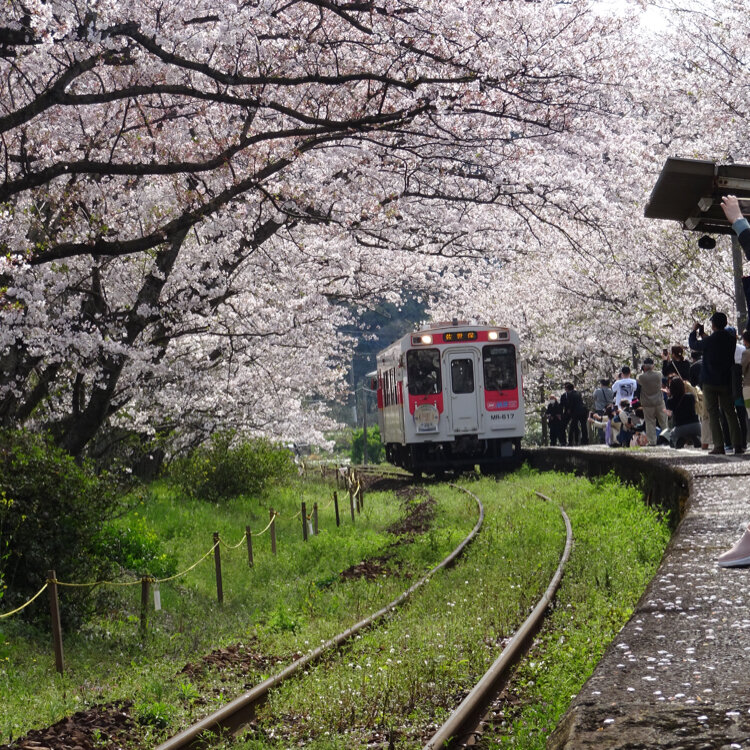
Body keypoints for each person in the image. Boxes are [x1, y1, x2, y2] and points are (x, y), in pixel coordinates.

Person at [688, 312, 744, 455]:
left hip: (710, 381)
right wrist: (703, 334)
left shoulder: (710, 341)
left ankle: (719, 445)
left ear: (713, 325)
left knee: (713, 413)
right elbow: (715, 341)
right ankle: (738, 444)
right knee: (731, 412)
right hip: (725, 381)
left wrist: (694, 331)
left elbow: (694, 345)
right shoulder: (731, 340)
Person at [637, 358, 669, 446]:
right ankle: (668, 439)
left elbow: (639, 380)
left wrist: (643, 370)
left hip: (647, 404)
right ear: (653, 366)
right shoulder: (658, 374)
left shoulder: (641, 377)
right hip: (659, 402)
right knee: (663, 421)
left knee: (650, 423)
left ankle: (652, 441)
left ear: (644, 367)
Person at [664, 377, 701, 448]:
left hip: (680, 427)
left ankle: (682, 439)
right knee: (693, 432)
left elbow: (670, 413)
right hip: (695, 425)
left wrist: (669, 396)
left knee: (672, 438)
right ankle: (694, 437)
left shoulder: (670, 401)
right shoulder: (690, 397)